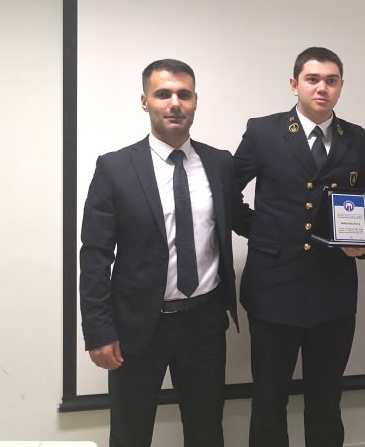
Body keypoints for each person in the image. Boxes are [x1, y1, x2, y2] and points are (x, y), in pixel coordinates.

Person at [79, 59, 240, 447]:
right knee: (131, 433)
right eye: (163, 94)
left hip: (203, 322)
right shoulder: (115, 168)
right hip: (137, 327)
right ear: (145, 101)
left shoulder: (219, 163)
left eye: (184, 94)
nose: (175, 103)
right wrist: (98, 331)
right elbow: (96, 255)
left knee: (207, 431)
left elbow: (241, 217)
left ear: (196, 100)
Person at [233, 47, 365, 447]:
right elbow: (227, 193)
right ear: (295, 84)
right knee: (269, 400)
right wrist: (259, 231)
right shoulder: (263, 131)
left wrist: (362, 247)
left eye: (331, 80)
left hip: (332, 291)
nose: (322, 88)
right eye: (313, 79)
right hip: (273, 288)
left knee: (326, 401)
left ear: (341, 86)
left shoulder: (355, 137)